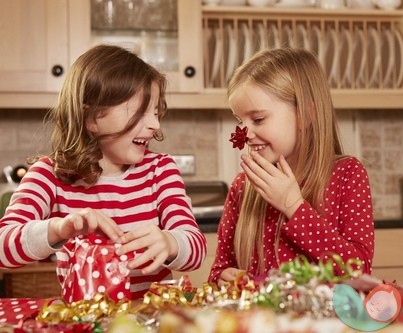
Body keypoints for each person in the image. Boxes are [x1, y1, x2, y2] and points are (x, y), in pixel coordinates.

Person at [0, 45, 206, 299]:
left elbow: (196, 249)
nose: (155, 124)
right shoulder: (49, 175)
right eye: (140, 112)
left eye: (155, 113)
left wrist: (171, 242)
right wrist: (59, 229)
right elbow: (3, 248)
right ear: (92, 118)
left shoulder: (160, 170)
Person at [208, 48, 374, 286]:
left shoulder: (347, 175)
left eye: (258, 119)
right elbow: (219, 271)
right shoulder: (243, 187)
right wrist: (222, 279)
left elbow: (359, 270)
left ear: (306, 114)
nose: (245, 134)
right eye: (239, 121)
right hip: (259, 322)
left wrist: (293, 206)